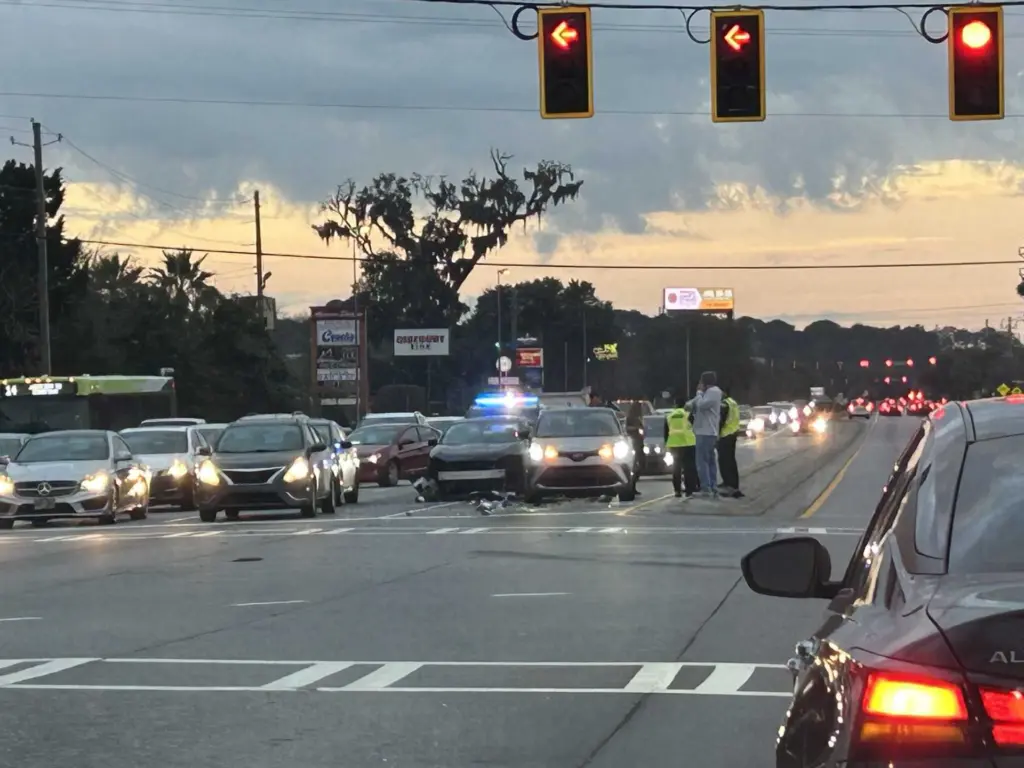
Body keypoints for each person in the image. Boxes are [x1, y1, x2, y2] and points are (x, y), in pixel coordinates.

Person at [686, 371, 722, 498]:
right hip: (707, 431)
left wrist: (699, 393)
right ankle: (712, 486)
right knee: (710, 460)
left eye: (701, 381)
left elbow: (701, 404)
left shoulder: (713, 392)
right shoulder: (709, 393)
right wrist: (692, 402)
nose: (699, 384)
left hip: (706, 431)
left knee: (702, 461)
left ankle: (706, 488)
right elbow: (693, 403)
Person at [665, 396, 699, 498]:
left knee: (676, 468)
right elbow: (695, 428)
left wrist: (666, 444)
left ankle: (677, 491)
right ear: (684, 405)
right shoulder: (688, 415)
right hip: (688, 443)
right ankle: (689, 490)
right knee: (689, 467)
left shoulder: (669, 416)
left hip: (674, 444)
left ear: (675, 405)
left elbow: (666, 433)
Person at [717, 386, 743, 498]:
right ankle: (733, 484)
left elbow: (721, 420)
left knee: (724, 461)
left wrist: (716, 433)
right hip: (733, 434)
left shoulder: (724, 404)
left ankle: (728, 484)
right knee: (731, 461)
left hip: (725, 435)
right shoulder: (733, 402)